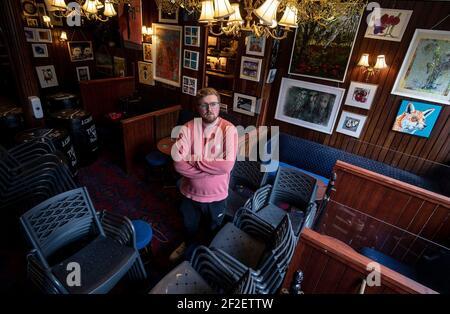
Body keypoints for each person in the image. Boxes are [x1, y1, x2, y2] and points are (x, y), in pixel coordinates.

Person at [169, 88, 238, 262]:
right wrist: (209, 171)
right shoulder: (188, 128)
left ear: (219, 105)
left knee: (213, 230)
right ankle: (187, 244)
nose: (209, 109)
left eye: (213, 104)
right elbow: (178, 163)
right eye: (204, 105)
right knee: (188, 226)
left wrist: (193, 159)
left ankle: (208, 256)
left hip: (217, 196)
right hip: (189, 193)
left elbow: (226, 165)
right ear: (197, 108)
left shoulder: (228, 130)